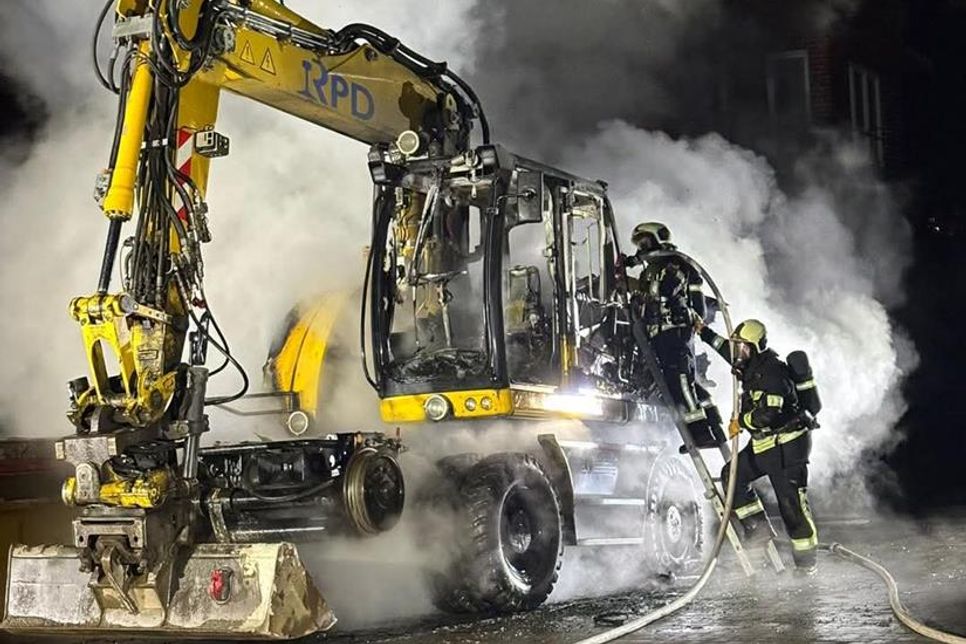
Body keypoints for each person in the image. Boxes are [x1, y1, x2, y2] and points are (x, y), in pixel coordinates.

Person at [695, 317, 819, 573]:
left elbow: (768, 415)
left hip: (787, 448)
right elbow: (724, 348)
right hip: (764, 446)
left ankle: (806, 566)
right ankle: (758, 529)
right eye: (737, 345)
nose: (736, 351)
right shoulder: (749, 364)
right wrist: (702, 330)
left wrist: (740, 421)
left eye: (741, 346)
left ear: (754, 347)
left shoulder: (773, 373)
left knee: (791, 508)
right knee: (732, 476)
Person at [625, 222, 723, 447]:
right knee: (684, 383)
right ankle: (714, 427)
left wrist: (637, 289)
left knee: (681, 383)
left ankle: (700, 433)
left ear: (658, 239)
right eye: (639, 244)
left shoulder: (674, 265)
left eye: (644, 242)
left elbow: (662, 291)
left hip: (674, 334)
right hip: (661, 335)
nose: (641, 248)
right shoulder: (653, 269)